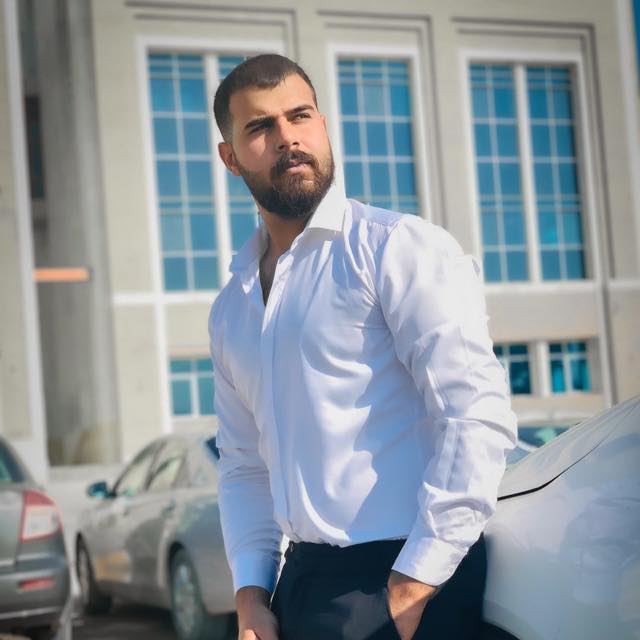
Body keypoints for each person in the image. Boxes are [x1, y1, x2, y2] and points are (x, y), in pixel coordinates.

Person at [208, 53, 517, 640]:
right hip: (299, 585)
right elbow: (244, 466)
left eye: (300, 116)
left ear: (322, 125)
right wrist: (251, 597)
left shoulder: (396, 248)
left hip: (405, 580)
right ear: (230, 157)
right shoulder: (232, 308)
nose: (287, 138)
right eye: (261, 127)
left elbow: (474, 414)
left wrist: (415, 581)